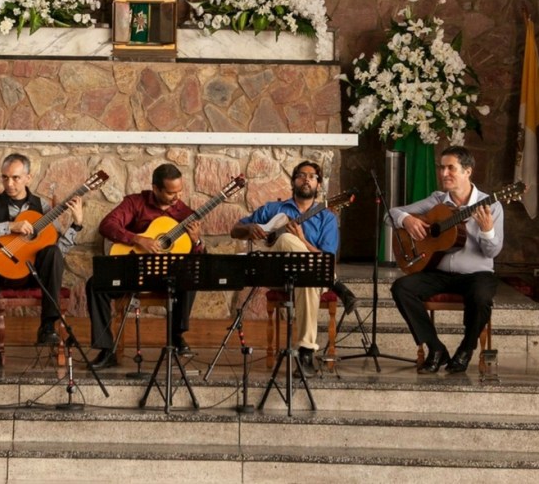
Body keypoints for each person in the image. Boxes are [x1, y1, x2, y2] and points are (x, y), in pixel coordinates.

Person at [230, 160, 357, 375]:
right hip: (276, 274)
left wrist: (302, 239)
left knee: (307, 280)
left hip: (311, 276)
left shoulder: (326, 217)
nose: (306, 179)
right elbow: (235, 230)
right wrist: (250, 228)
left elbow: (326, 260)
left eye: (312, 177)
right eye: (301, 175)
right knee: (286, 239)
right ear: (293, 181)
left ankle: (305, 352)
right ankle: (335, 284)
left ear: (318, 185)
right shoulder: (274, 209)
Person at [388, 145, 504, 374]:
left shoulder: (491, 205)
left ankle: (465, 350)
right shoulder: (436, 200)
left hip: (475, 275)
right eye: (441, 168)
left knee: (481, 296)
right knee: (401, 287)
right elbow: (390, 214)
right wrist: (407, 220)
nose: (444, 173)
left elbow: (492, 253)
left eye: (451, 168)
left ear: (467, 171)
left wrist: (487, 230)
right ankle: (436, 348)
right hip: (437, 273)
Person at [0, 153, 82, 373]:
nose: (9, 183)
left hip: (32, 274)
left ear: (28, 178)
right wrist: (9, 227)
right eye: (5, 177)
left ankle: (47, 326)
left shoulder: (43, 207)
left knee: (53, 252)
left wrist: (76, 225)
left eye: (16, 178)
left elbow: (58, 252)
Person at [86, 163, 204, 370]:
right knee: (95, 284)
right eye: (170, 193)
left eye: (179, 191)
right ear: (155, 188)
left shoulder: (185, 214)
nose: (177, 197)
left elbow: (196, 259)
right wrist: (138, 239)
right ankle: (106, 349)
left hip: (164, 276)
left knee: (190, 276)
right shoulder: (135, 202)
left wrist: (196, 241)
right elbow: (107, 225)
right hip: (132, 270)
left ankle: (176, 337)